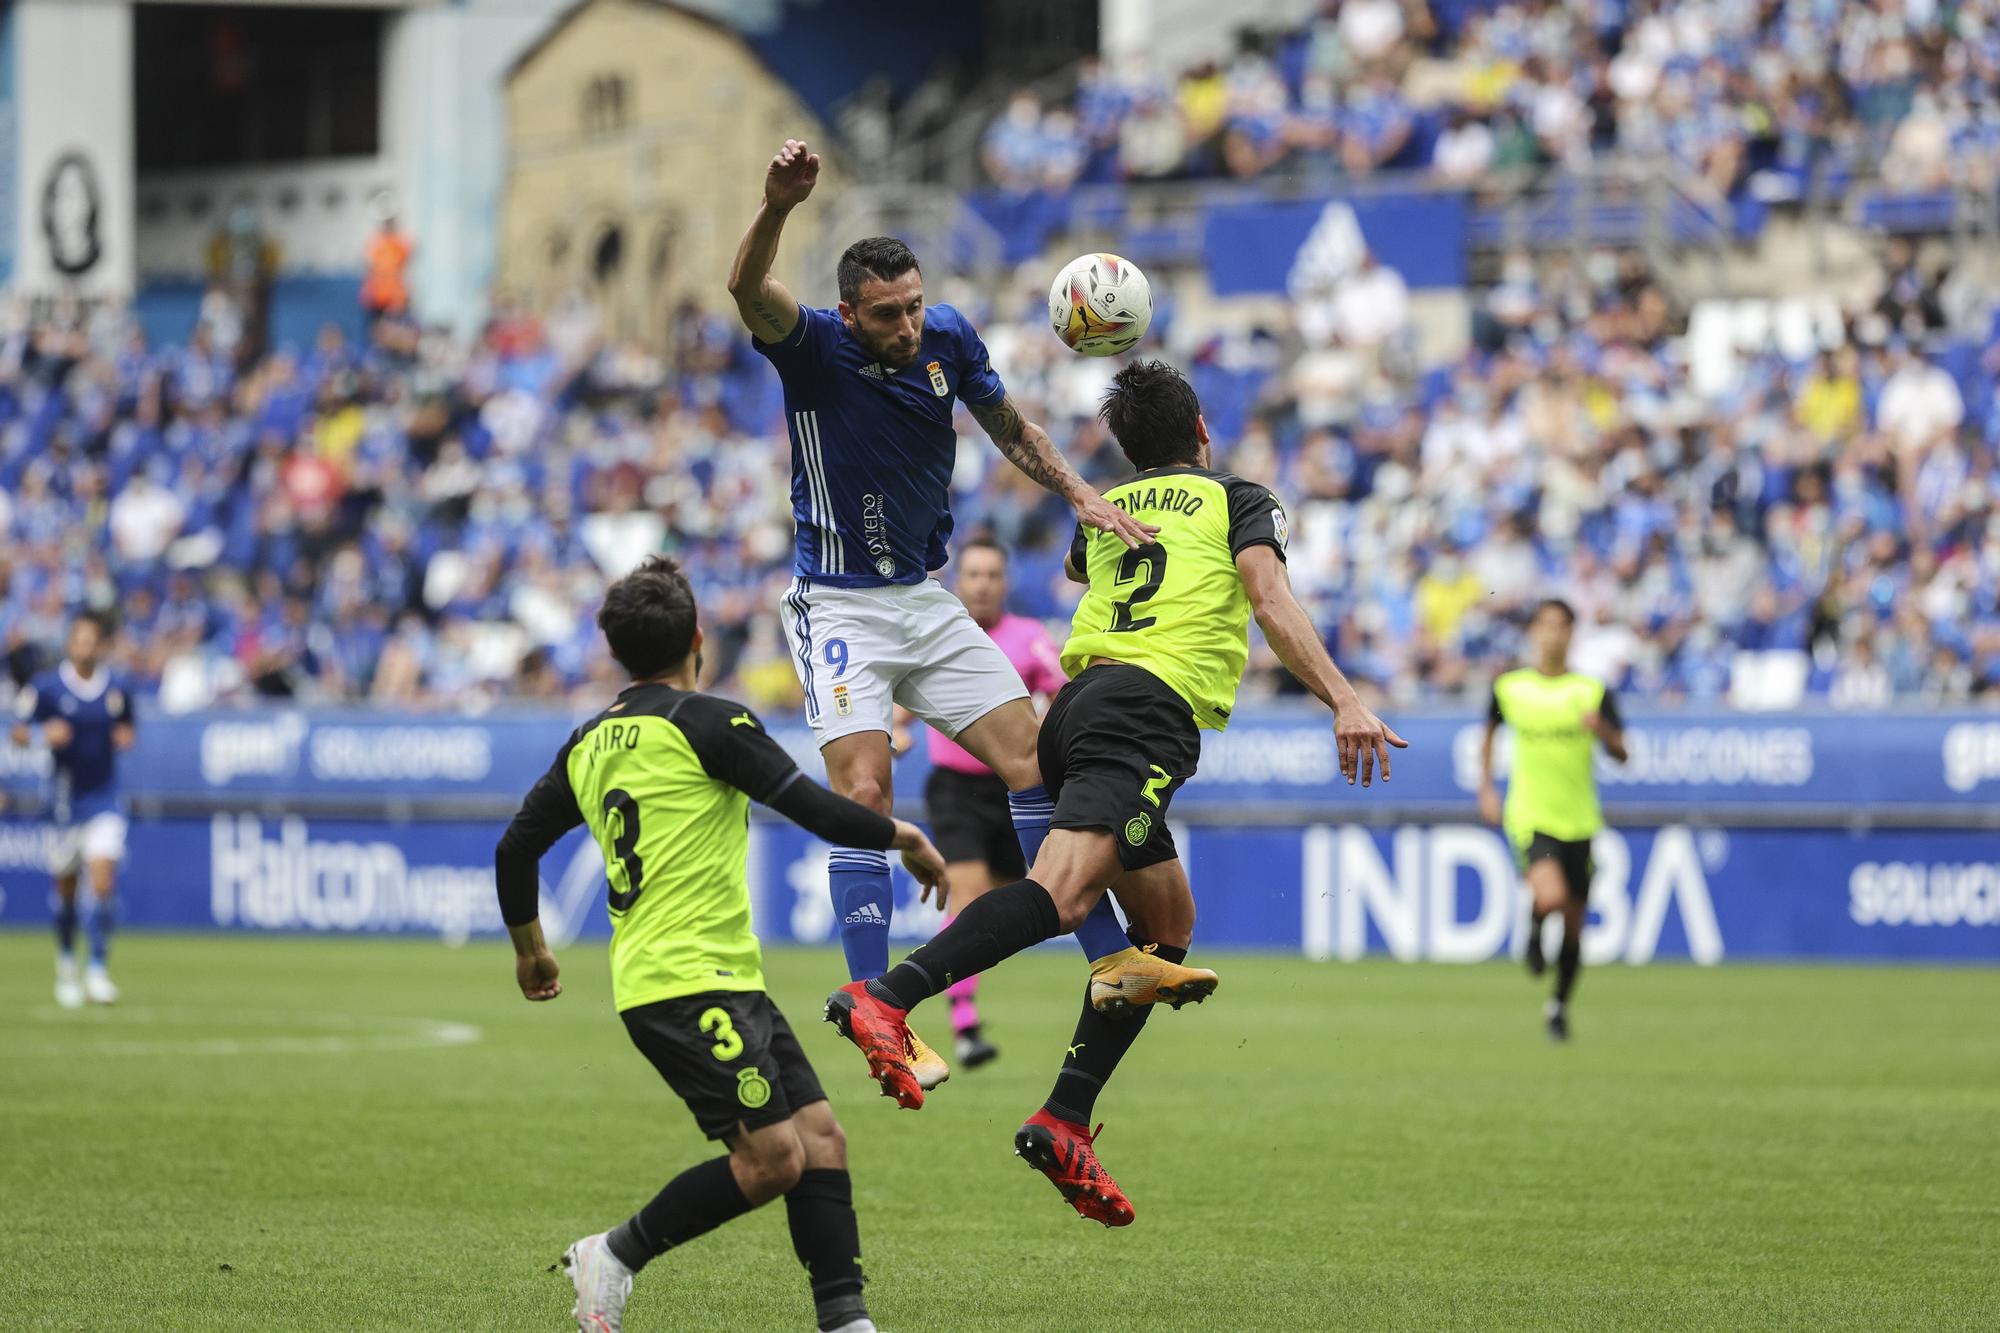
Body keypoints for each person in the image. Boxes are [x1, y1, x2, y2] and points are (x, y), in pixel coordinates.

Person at [824, 360, 1406, 1225]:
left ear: (1131, 450)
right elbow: (1268, 594)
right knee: (1060, 896)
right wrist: (1345, 696)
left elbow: (1087, 572)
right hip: (1143, 711)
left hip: (1080, 704)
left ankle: (1064, 1119)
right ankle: (888, 994)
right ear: (1202, 430)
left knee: (1166, 930)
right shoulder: (1239, 497)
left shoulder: (1108, 509)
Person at [726, 138, 1190, 1090]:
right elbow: (745, 289)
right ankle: (873, 1010)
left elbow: (1010, 426)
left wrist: (1079, 494)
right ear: (851, 311)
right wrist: (776, 207)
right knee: (864, 796)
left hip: (924, 601)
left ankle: (1107, 957)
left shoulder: (949, 338)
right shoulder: (812, 347)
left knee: (1036, 758)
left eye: (915, 305)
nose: (907, 324)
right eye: (888, 314)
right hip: (840, 603)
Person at [493, 556, 948, 1333]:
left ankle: (847, 1320)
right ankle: (615, 1252)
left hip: (715, 977)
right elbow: (821, 810)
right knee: (774, 1159)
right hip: (682, 985)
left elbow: (515, 850)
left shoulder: (590, 741)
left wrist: (531, 949)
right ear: (698, 639)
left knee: (820, 1137)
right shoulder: (711, 721)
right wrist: (904, 834)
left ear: (616, 653)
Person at [914, 538, 1068, 1070]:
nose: (980, 583)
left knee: (995, 908)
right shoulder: (938, 633)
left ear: (1005, 583)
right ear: (960, 582)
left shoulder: (1029, 638)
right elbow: (899, 683)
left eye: (991, 575)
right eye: (973, 574)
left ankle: (914, 978)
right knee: (971, 896)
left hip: (1013, 791)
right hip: (954, 788)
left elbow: (1061, 691)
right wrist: (892, 725)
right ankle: (963, 1026)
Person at [1478, 598, 1629, 1042]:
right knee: (1552, 894)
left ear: (1571, 634)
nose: (1552, 635)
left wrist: (1600, 730)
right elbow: (1487, 735)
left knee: (1576, 922)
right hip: (1530, 814)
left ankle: (1558, 1005)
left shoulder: (1592, 691)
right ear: (1533, 633)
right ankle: (1536, 921)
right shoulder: (1510, 687)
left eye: (1561, 627)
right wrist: (1486, 788)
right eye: (1544, 626)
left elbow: (1622, 753)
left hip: (1580, 819)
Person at [10, 613, 135, 1008]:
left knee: (102, 882)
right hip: (64, 802)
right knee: (66, 891)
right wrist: (40, 735)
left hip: (105, 798)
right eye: (79, 640)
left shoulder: (116, 688)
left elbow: (129, 726)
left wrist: (124, 737)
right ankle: (67, 964)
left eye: (91, 641)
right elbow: (17, 730)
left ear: (100, 646)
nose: (85, 648)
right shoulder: (48, 688)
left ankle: (97, 968)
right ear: (70, 644)